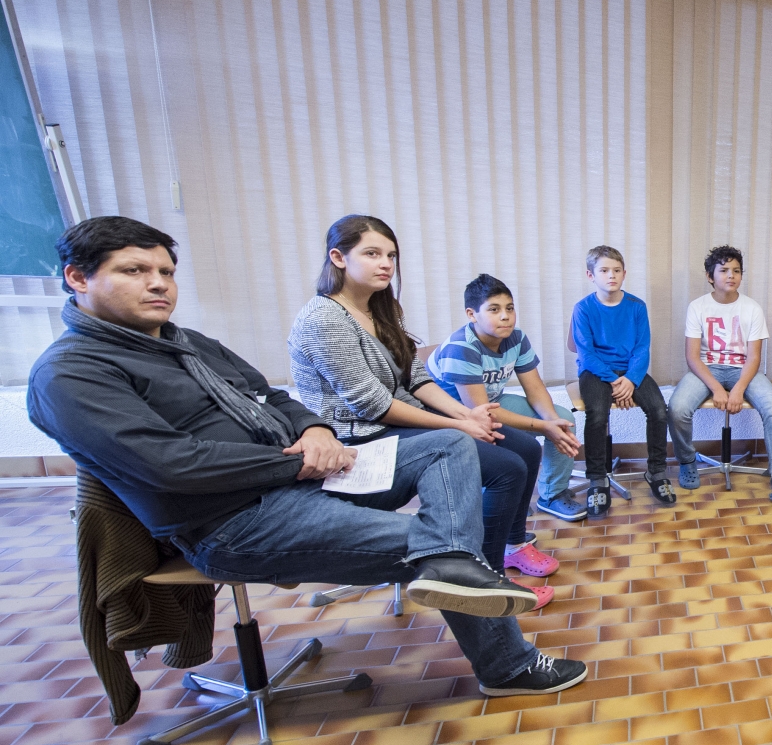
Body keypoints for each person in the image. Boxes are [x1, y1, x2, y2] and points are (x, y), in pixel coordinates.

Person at [27, 217, 587, 699]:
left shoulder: (184, 342)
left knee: (449, 447)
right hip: (236, 520)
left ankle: (468, 572)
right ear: (78, 279)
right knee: (440, 548)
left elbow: (274, 395)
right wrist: (298, 461)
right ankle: (505, 656)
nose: (158, 285)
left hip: (306, 475)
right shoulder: (70, 373)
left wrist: (314, 429)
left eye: (166, 272)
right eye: (135, 271)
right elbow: (174, 465)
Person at [287, 216, 561, 589]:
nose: (386, 263)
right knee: (506, 470)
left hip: (401, 421)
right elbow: (372, 406)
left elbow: (415, 378)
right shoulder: (324, 320)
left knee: (526, 448)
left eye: (391, 255)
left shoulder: (381, 311)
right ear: (338, 257)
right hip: (362, 437)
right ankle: (488, 579)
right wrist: (459, 425)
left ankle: (513, 545)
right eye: (372, 253)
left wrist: (467, 413)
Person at [427, 273, 587, 523]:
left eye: (509, 308)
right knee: (501, 445)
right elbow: (482, 412)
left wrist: (553, 422)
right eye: (494, 309)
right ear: (472, 314)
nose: (505, 316)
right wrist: (544, 427)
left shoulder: (517, 338)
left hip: (491, 404)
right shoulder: (461, 347)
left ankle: (552, 496)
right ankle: (494, 504)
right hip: (453, 417)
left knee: (565, 420)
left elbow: (534, 388)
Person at [667, 245, 772, 502]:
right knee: (677, 408)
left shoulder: (752, 308)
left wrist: (737, 389)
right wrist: (716, 387)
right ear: (709, 276)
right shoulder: (698, 307)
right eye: (724, 270)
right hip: (706, 368)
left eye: (736, 271)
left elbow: (754, 357)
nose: (731, 275)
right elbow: (692, 356)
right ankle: (687, 461)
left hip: (743, 370)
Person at [570, 245, 678, 515]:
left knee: (658, 409)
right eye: (604, 270)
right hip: (596, 372)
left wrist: (630, 379)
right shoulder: (583, 309)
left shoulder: (636, 306)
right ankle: (597, 478)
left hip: (631, 371)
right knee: (596, 413)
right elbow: (586, 353)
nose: (611, 276)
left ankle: (656, 472)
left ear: (624, 273)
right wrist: (616, 382)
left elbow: (642, 348)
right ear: (590, 275)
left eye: (616, 270)